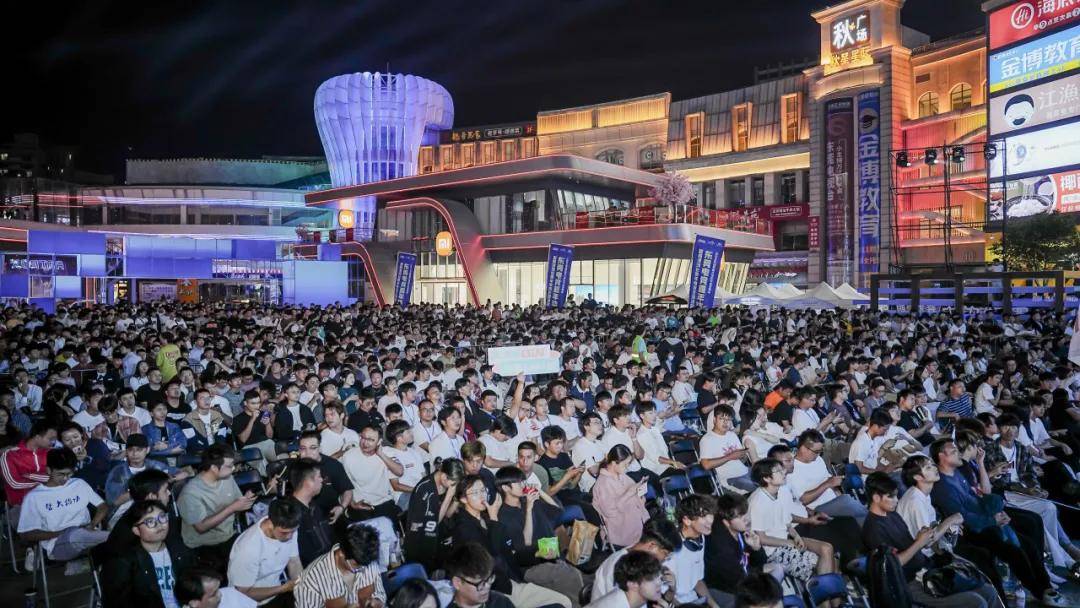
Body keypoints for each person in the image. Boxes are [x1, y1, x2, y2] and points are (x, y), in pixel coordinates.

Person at [929, 438, 1064, 607]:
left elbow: (977, 498)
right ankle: (1038, 591)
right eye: (953, 450)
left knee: (1028, 543)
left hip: (985, 517)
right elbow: (962, 516)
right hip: (973, 530)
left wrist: (997, 513)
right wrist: (993, 520)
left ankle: (1045, 586)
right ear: (942, 456)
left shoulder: (956, 473)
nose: (958, 453)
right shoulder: (942, 486)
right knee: (1015, 551)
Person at [862, 472, 999, 608]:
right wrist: (919, 543)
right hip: (909, 584)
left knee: (989, 591)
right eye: (891, 497)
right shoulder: (873, 528)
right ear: (876, 498)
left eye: (896, 495)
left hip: (927, 571)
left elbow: (907, 546)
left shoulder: (892, 515)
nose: (896, 500)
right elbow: (892, 564)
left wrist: (921, 537)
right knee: (976, 602)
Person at [445, 475, 572, 608]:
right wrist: (494, 518)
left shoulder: (486, 519)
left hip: (512, 580)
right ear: (463, 499)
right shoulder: (464, 528)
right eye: (475, 493)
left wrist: (537, 553)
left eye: (483, 490)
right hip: (493, 590)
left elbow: (510, 552)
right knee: (562, 602)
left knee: (563, 600)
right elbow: (491, 558)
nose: (482, 496)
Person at [493, 465, 584, 606]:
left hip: (550, 554)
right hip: (531, 564)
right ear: (505, 488)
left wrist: (540, 492)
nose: (523, 485)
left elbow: (558, 512)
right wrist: (529, 510)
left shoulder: (527, 501)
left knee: (574, 576)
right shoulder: (504, 515)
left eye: (523, 481)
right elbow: (525, 544)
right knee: (571, 576)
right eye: (518, 482)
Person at [18, 447, 110, 573]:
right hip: (57, 544)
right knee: (78, 535)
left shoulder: (79, 484)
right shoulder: (34, 497)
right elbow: (26, 534)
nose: (65, 478)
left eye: (69, 474)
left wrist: (92, 524)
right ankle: (112, 538)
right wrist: (60, 533)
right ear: (49, 470)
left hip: (86, 536)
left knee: (86, 536)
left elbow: (103, 506)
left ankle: (87, 561)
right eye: (61, 474)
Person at [746, 458, 834, 582]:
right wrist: (790, 543)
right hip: (771, 551)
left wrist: (796, 536)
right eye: (778, 471)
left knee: (827, 549)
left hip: (786, 541)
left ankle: (831, 592)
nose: (784, 472)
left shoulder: (779, 492)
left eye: (782, 469)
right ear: (766, 478)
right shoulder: (758, 501)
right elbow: (761, 538)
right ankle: (822, 591)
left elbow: (786, 522)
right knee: (820, 562)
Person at [101, 499, 197, 608]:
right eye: (150, 522)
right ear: (136, 530)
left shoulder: (179, 548)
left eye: (162, 517)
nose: (159, 525)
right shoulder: (124, 561)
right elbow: (117, 602)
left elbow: (194, 583)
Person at [177, 445, 257, 569]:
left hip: (228, 536)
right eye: (229, 466)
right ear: (214, 468)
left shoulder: (227, 478)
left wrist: (246, 499)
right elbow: (201, 527)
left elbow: (237, 503)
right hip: (204, 546)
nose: (233, 469)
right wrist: (232, 508)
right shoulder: (191, 493)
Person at [228, 498, 303, 607]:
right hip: (252, 603)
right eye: (284, 533)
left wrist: (301, 587)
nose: (289, 537)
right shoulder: (248, 548)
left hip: (277, 592)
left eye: (293, 531)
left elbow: (294, 562)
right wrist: (283, 588)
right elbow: (243, 592)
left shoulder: (289, 527)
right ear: (270, 523)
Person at [293, 522, 386, 608]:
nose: (362, 569)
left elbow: (379, 594)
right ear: (341, 553)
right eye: (356, 566)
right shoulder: (311, 579)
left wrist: (377, 602)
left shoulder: (366, 559)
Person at [786, 430, 867, 525]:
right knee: (854, 507)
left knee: (853, 505)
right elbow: (803, 500)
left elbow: (830, 482)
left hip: (835, 501)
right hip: (818, 508)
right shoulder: (792, 470)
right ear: (803, 448)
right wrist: (827, 484)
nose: (818, 454)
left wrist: (838, 494)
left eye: (820, 451)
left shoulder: (818, 460)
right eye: (816, 451)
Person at [705, 493, 770, 601]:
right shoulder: (722, 546)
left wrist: (756, 548)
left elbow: (760, 562)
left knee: (778, 569)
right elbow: (736, 580)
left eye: (746, 513)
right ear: (726, 522)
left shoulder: (740, 532)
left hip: (743, 576)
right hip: (726, 589)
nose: (746, 519)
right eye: (739, 517)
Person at [404, 457, 465, 571]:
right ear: (444, 476)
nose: (454, 487)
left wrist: (457, 498)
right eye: (453, 484)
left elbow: (447, 514)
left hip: (438, 539)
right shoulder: (426, 489)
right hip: (421, 543)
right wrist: (449, 496)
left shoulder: (446, 484)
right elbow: (435, 521)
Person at [668, 494, 724, 608]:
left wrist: (714, 605)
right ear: (687, 520)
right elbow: (665, 594)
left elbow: (697, 581)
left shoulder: (700, 538)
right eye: (703, 516)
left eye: (710, 515)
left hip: (695, 600)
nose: (710, 521)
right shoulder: (671, 547)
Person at [340, 423, 405, 521]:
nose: (365, 443)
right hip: (361, 504)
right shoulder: (349, 456)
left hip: (384, 502)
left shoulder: (387, 452)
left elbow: (400, 471)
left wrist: (381, 454)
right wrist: (352, 503)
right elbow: (345, 485)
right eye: (363, 438)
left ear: (379, 441)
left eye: (371, 440)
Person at [592, 444, 649, 548]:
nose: (627, 467)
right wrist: (629, 494)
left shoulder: (622, 475)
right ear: (614, 463)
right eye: (625, 464)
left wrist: (640, 494)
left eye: (628, 464)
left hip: (636, 522)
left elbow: (634, 493)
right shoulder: (603, 484)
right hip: (621, 528)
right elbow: (610, 512)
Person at [105, 433, 184, 506]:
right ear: (126, 452)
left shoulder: (153, 465)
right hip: (129, 511)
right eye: (130, 450)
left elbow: (184, 473)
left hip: (155, 508)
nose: (135, 454)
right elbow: (113, 501)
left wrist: (170, 479)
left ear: (147, 450)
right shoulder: (118, 472)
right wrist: (143, 489)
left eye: (139, 450)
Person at [286, 458, 336, 566]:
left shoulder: (314, 506)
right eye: (319, 476)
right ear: (308, 482)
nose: (322, 480)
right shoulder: (292, 516)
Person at [699, 405, 755, 493]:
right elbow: (706, 465)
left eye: (728, 420)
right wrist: (730, 457)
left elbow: (742, 459)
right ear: (714, 420)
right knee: (760, 488)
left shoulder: (732, 435)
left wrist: (742, 455)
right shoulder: (707, 439)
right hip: (730, 478)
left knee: (769, 476)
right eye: (722, 419)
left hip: (744, 471)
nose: (725, 423)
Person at [1, 420, 56, 509]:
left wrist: (29, 475)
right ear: (37, 437)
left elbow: (57, 476)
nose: (54, 442)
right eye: (51, 439)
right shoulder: (10, 455)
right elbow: (14, 483)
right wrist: (43, 481)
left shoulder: (51, 452)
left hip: (50, 499)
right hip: (22, 504)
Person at [585, 550, 665, 608]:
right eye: (651, 579)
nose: (659, 583)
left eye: (658, 576)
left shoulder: (630, 600)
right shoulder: (615, 605)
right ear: (632, 584)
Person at [445, 542, 515, 608]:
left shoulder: (501, 601)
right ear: (457, 583)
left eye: (489, 579)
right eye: (479, 583)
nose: (487, 587)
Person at [231, 389, 276, 476]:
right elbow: (243, 439)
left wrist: (267, 424)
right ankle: (270, 481)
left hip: (266, 443)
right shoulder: (238, 419)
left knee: (280, 458)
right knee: (263, 466)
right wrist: (252, 419)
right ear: (245, 403)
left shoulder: (263, 414)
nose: (256, 406)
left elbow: (270, 436)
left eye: (258, 403)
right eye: (253, 403)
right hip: (249, 447)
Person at [175, 567, 257, 608]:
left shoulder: (230, 594)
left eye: (218, 589)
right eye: (213, 594)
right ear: (194, 603)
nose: (220, 594)